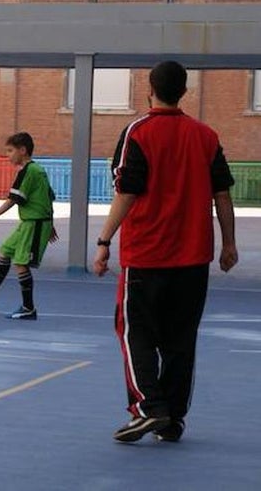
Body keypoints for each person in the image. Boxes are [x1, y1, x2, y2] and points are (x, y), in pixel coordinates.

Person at [94, 60, 237, 443]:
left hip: (148, 256)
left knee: (133, 331)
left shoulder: (138, 133)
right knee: (180, 339)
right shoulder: (206, 135)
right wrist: (229, 243)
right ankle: (173, 419)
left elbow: (127, 191)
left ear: (149, 88)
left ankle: (147, 408)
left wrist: (105, 241)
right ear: (184, 92)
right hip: (193, 259)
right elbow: (222, 194)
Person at [0, 132, 58, 320]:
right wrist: (52, 223)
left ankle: (28, 308)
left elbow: (13, 199)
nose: (7, 155)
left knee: (21, 263)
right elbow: (48, 196)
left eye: (10, 150)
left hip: (35, 223)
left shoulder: (28, 171)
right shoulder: (38, 170)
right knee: (4, 252)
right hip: (30, 222)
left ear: (22, 150)